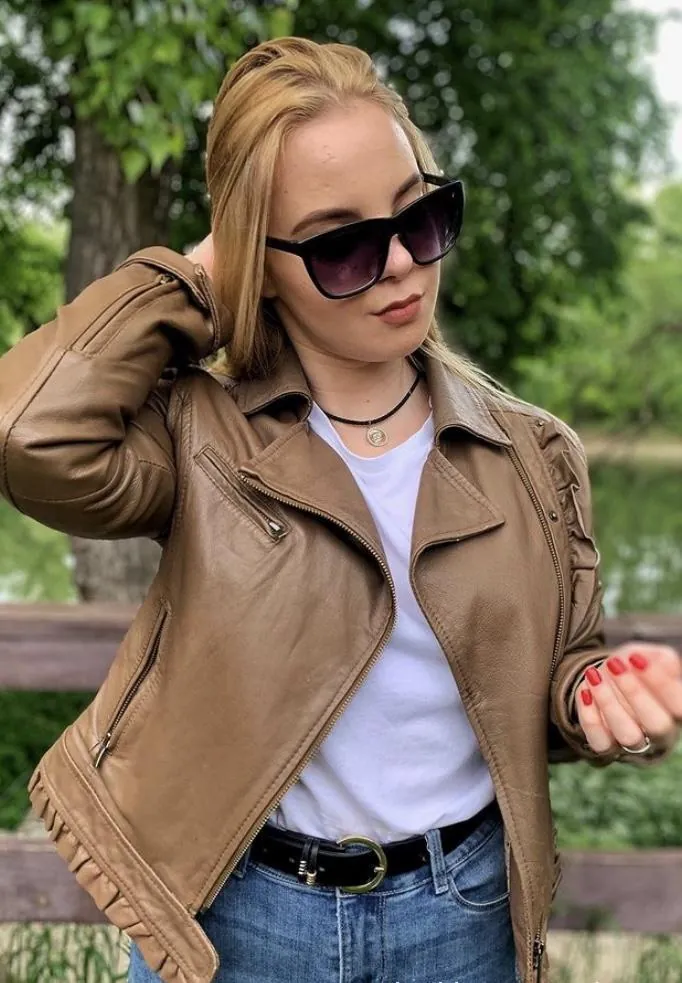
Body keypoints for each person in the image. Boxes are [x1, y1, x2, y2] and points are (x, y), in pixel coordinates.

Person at [0, 35, 680, 983]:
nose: (400, 263)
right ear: (261, 259)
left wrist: (597, 696)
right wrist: (202, 276)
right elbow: (29, 433)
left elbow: (560, 663)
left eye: (421, 216)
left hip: (462, 914)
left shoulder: (534, 455)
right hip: (238, 918)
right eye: (342, 244)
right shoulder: (200, 436)